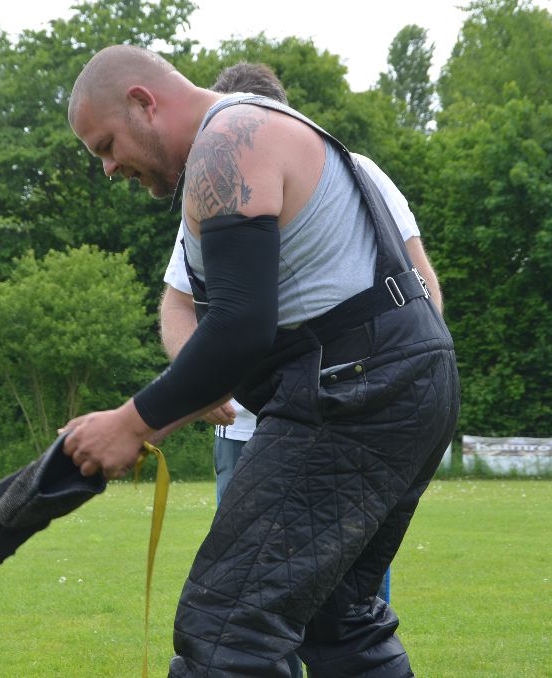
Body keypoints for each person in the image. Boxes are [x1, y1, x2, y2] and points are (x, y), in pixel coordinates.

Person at [65, 45, 460, 677]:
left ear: (143, 102)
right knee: (337, 618)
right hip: (404, 379)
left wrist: (131, 423)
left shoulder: (227, 141)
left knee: (226, 625)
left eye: (106, 145)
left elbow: (239, 328)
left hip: (350, 390)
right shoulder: (254, 135)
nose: (109, 168)